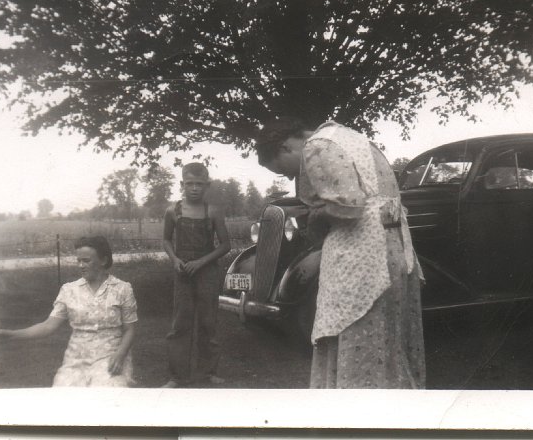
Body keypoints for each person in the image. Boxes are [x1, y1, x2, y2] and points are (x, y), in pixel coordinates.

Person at [256, 117, 426, 389]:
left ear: (286, 147)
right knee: (386, 340)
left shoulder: (317, 146)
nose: (290, 178)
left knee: (356, 337)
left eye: (282, 171)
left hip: (363, 254)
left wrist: (315, 217)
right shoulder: (352, 138)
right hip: (393, 247)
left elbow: (348, 207)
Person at [0, 236, 137, 387]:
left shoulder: (122, 289)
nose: (81, 265)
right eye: (78, 261)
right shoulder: (69, 290)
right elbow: (47, 326)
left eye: (86, 260)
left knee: (106, 394)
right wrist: (11, 334)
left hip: (110, 357)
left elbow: (130, 329)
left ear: (103, 260)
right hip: (76, 359)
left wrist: (120, 354)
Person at [161, 162, 231, 388]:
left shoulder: (213, 211)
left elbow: (225, 245)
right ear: (182, 184)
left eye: (199, 184)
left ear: (207, 185)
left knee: (208, 322)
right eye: (189, 183)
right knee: (180, 323)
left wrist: (201, 262)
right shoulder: (173, 211)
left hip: (207, 272)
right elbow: (166, 240)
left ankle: (207, 373)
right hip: (183, 273)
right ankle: (177, 376)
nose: (194, 188)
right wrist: (175, 260)